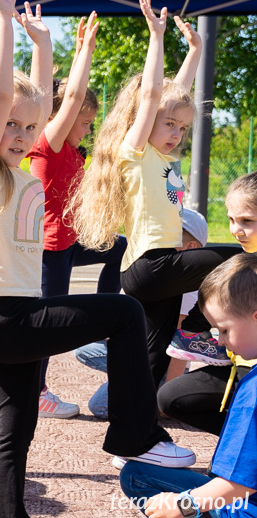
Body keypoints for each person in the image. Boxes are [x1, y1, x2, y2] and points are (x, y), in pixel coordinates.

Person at [0, 0, 195, 518]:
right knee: (124, 313)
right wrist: (3, 23)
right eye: (9, 125)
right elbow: (4, 94)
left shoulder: (29, 164)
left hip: (17, 317)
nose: (23, 134)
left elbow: (58, 97)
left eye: (30, 127)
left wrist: (45, 45)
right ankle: (133, 435)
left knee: (18, 429)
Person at [70, 0, 240, 387]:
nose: (176, 134)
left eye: (182, 128)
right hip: (151, 265)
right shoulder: (136, 152)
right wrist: (156, 38)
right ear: (143, 121)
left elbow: (173, 96)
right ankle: (196, 331)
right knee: (245, 259)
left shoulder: (161, 157)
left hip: (156, 269)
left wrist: (195, 50)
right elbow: (152, 96)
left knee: (152, 358)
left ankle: (133, 437)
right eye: (169, 126)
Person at [27, 11, 127, 419]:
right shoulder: (46, 145)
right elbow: (66, 99)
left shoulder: (71, 151)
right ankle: (37, 392)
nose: (86, 128)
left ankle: (104, 322)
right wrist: (83, 48)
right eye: (83, 122)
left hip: (68, 245)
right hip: (50, 251)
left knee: (116, 246)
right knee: (47, 325)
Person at [120, 253, 257, 518]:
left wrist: (183, 505)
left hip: (245, 507)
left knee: (136, 477)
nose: (218, 341)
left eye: (223, 330)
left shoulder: (253, 392)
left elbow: (238, 486)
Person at [76, 208, 209, 420]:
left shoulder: (187, 285)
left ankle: (150, 389)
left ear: (190, 248)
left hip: (167, 365)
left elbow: (180, 344)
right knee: (84, 349)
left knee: (100, 406)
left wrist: (167, 395)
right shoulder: (156, 271)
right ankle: (131, 380)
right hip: (143, 350)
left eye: (166, 238)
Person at [157, 174, 257, 436]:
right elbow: (200, 315)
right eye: (231, 220)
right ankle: (243, 443)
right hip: (243, 369)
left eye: (247, 221)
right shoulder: (237, 265)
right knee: (170, 397)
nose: (236, 230)